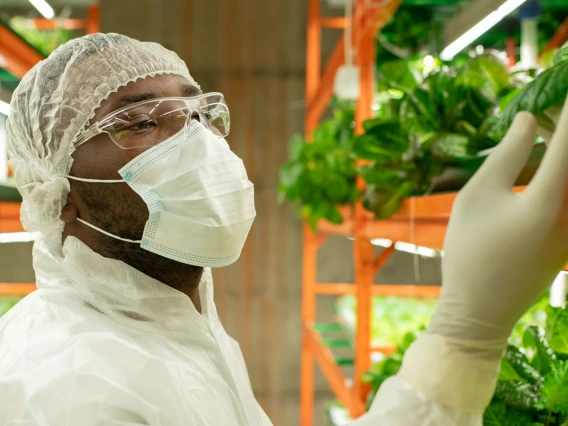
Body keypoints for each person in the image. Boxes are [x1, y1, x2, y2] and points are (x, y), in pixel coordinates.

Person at [0, 32, 567, 426]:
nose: (199, 144)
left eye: (201, 115)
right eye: (143, 122)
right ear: (58, 191)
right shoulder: (75, 393)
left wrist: (462, 343)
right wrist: (467, 333)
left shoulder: (171, 322)